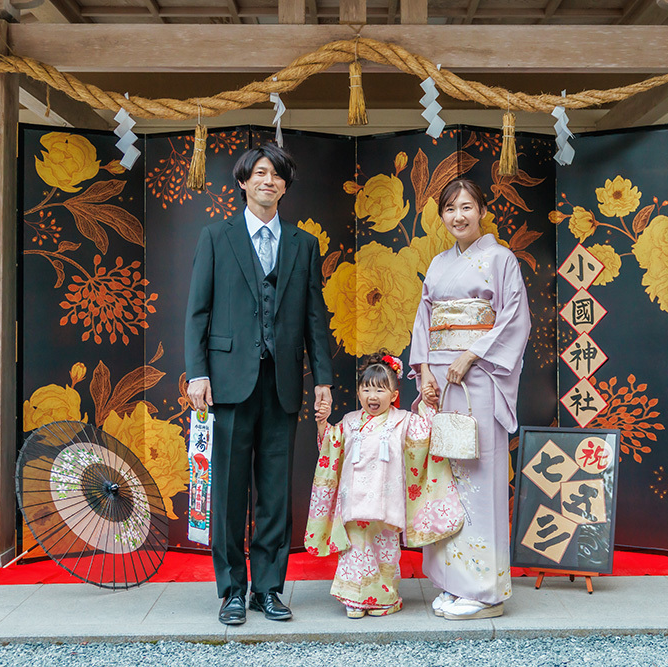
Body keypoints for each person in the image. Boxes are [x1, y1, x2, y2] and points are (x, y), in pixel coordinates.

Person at [185, 143, 334, 626]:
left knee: (274, 492)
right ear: (244, 182)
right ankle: (231, 589)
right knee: (229, 493)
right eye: (260, 173)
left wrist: (324, 382)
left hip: (283, 384)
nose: (269, 181)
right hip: (227, 384)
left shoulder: (302, 243)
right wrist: (198, 373)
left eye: (277, 175)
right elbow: (198, 313)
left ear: (285, 186)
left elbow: (316, 318)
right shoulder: (215, 237)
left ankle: (269, 588)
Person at [409, 177, 531, 620]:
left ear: (482, 210)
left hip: (479, 380)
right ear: (441, 217)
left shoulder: (501, 259)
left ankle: (483, 590)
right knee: (446, 479)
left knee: (479, 477)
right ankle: (451, 581)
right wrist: (424, 370)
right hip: (441, 382)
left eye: (466, 207)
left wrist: (471, 354)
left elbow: (514, 319)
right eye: (449, 209)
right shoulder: (439, 264)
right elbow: (424, 320)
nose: (458, 216)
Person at [306, 353, 462, 618]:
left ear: (393, 393)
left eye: (380, 389)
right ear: (358, 392)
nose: (372, 396)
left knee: (386, 550)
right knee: (356, 549)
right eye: (366, 389)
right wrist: (323, 422)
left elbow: (423, 439)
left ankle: (385, 598)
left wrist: (427, 404)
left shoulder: (404, 421)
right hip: (354, 500)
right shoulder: (349, 421)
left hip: (387, 500)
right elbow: (331, 447)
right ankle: (354, 598)